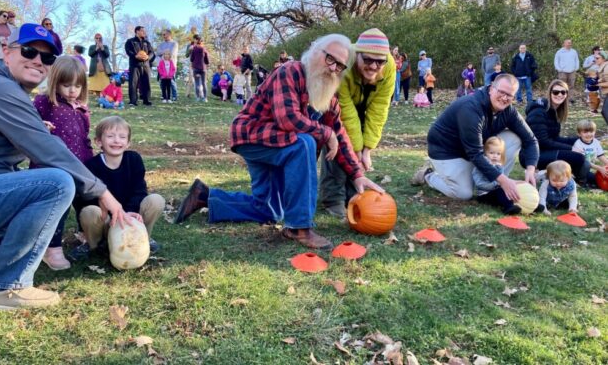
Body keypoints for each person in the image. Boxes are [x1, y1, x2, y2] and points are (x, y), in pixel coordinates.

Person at [174, 34, 383, 249]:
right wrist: (326, 133)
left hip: (279, 145)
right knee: (304, 143)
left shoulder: (328, 98)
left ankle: (205, 196)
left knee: (270, 210)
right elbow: (288, 118)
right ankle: (299, 228)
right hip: (253, 136)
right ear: (313, 50)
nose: (333, 69)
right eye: (330, 59)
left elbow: (339, 134)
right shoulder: (290, 71)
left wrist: (357, 175)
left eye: (340, 66)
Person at [0, 23, 128, 310]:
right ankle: (5, 287)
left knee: (29, 211)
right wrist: (102, 192)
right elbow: (47, 148)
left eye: (47, 58)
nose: (38, 61)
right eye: (29, 51)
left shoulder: (3, 87)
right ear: (7, 52)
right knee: (55, 183)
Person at [412, 74, 539, 201]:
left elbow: (531, 140)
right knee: (463, 193)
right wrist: (504, 180)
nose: (504, 98)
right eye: (501, 92)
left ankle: (494, 185)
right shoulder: (471, 108)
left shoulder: (509, 111)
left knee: (514, 137)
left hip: (474, 150)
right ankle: (428, 175)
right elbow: (475, 153)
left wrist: (530, 168)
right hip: (447, 152)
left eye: (509, 95)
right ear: (491, 89)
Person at [320, 28, 395, 218]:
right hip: (334, 103)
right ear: (357, 55)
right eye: (368, 60)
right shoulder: (344, 63)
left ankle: (353, 193)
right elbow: (345, 110)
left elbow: (380, 107)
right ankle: (333, 197)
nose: (373, 66)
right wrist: (358, 149)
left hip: (363, 103)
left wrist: (367, 149)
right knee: (337, 141)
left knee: (358, 148)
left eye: (379, 61)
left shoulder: (390, 67)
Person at [32, 56, 93, 271]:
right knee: (60, 208)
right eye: (66, 85)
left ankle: (87, 237)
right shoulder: (44, 102)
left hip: (80, 167)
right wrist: (41, 127)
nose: (72, 91)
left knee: (85, 204)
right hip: (52, 169)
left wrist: (91, 165)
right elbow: (28, 126)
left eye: (77, 86)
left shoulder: (82, 109)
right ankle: (52, 248)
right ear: (55, 81)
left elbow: (85, 139)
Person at [75, 116, 165, 257]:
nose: (117, 140)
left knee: (156, 200)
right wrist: (110, 216)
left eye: (122, 137)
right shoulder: (91, 166)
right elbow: (83, 199)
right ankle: (96, 245)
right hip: (106, 221)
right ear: (99, 141)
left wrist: (128, 212)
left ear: (128, 142)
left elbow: (139, 190)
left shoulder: (134, 160)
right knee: (90, 211)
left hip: (131, 218)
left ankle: (143, 237)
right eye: (110, 136)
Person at [523, 79, 594, 186]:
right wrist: (572, 148)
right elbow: (543, 141)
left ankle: (589, 177)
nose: (559, 95)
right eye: (556, 92)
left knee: (578, 143)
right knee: (577, 157)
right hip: (532, 156)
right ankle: (581, 179)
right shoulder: (538, 112)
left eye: (563, 92)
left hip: (545, 150)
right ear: (550, 93)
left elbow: (554, 138)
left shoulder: (553, 111)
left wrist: (579, 140)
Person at [473, 136, 522, 214]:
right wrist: (497, 184)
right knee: (502, 190)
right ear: (485, 152)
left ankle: (532, 206)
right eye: (491, 153)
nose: (495, 156)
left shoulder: (498, 166)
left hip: (495, 192)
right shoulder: (480, 166)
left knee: (510, 189)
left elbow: (503, 179)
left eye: (498, 153)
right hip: (484, 195)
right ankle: (508, 207)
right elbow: (479, 183)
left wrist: (515, 182)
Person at [125, 26, 154, 106]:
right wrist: (135, 56)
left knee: (146, 83)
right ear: (137, 31)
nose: (144, 32)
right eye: (142, 31)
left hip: (145, 65)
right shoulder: (130, 41)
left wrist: (148, 57)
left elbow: (152, 52)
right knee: (133, 83)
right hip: (135, 65)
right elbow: (128, 51)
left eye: (144, 31)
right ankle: (133, 101)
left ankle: (146, 100)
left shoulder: (147, 42)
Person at [155, 29, 179, 101]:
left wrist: (163, 53)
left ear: (169, 34)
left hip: (171, 66)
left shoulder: (174, 43)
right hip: (162, 66)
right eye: (163, 34)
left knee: (171, 81)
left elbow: (171, 53)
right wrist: (165, 52)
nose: (163, 36)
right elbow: (157, 53)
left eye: (164, 34)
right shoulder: (161, 44)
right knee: (162, 82)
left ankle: (174, 96)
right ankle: (164, 95)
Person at [554, 39, 579, 103]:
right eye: (568, 43)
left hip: (572, 71)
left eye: (570, 43)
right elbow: (556, 61)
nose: (569, 44)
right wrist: (559, 69)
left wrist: (576, 68)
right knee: (562, 85)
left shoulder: (574, 51)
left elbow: (577, 60)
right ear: (564, 43)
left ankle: (571, 98)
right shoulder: (559, 52)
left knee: (571, 85)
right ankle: (562, 98)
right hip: (562, 72)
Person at [190, 35, 209, 102]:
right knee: (204, 83)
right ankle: (205, 98)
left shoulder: (194, 49)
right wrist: (205, 63)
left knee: (197, 83)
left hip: (196, 68)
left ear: (196, 41)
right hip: (203, 68)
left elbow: (191, 59)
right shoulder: (204, 49)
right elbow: (207, 60)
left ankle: (198, 97)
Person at [595, 51, 608, 125]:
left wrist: (597, 84)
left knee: (605, 111)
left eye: (597, 58)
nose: (595, 60)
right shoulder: (604, 67)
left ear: (604, 59)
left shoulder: (606, 68)